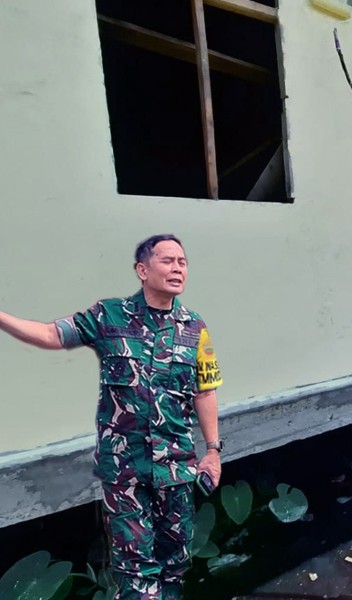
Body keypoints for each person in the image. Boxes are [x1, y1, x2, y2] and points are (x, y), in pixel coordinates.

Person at [0, 234, 223, 599]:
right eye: (167, 260)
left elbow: (205, 390)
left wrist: (212, 450)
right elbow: (51, 334)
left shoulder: (194, 328)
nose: (177, 268)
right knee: (136, 572)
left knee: (175, 565)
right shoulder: (109, 316)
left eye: (182, 262)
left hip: (176, 469)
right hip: (126, 472)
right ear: (142, 269)